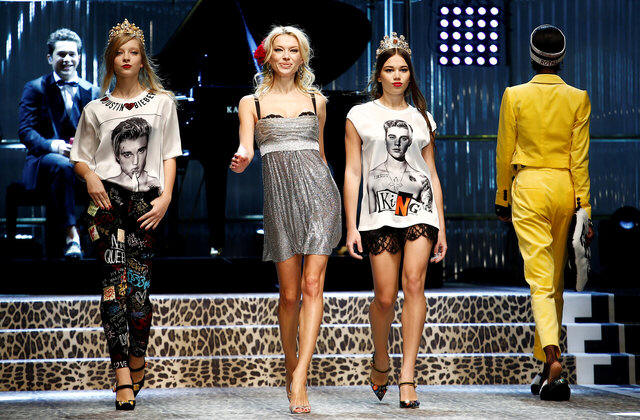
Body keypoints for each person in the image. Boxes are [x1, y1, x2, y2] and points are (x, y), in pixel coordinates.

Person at [70, 19, 182, 410]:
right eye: (120, 53)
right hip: (104, 206)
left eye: (133, 52)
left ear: (142, 58)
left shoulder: (162, 103)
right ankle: (121, 374)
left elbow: (170, 154)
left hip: (145, 206)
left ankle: (137, 357)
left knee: (139, 295)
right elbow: (80, 158)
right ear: (111, 60)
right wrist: (90, 177)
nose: (127, 58)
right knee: (113, 289)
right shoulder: (95, 108)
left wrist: (166, 198)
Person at [229, 25, 341, 414]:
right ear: (269, 56)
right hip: (280, 202)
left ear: (302, 57)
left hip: (321, 197)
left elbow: (321, 155)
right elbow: (246, 145)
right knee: (289, 295)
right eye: (280, 50)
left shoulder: (317, 100)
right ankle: (291, 367)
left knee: (312, 285)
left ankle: (301, 378)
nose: (287, 56)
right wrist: (242, 159)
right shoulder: (252, 102)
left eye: (294, 50)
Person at [343, 33, 447, 409]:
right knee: (385, 298)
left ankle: (407, 376)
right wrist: (351, 226)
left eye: (403, 69)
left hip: (421, 212)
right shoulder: (359, 116)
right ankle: (381, 356)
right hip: (377, 214)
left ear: (410, 74)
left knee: (414, 284)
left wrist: (442, 226)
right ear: (379, 74)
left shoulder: (422, 118)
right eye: (390, 69)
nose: (398, 76)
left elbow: (431, 174)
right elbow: (353, 172)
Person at [495, 24, 593, 401]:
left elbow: (505, 151)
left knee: (540, 280)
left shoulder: (514, 95)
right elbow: (580, 158)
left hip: (529, 185)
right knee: (554, 281)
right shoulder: (578, 98)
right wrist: (584, 206)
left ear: (533, 57)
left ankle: (553, 358)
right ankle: (544, 371)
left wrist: (503, 197)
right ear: (561, 58)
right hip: (564, 187)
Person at [18, 28, 100, 259]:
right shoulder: (35, 88)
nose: (67, 59)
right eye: (61, 54)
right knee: (62, 165)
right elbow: (26, 132)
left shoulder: (93, 91)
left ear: (79, 57)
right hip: (44, 163)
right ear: (49, 58)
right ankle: (71, 237)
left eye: (72, 54)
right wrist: (54, 146)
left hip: (82, 163)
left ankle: (104, 237)